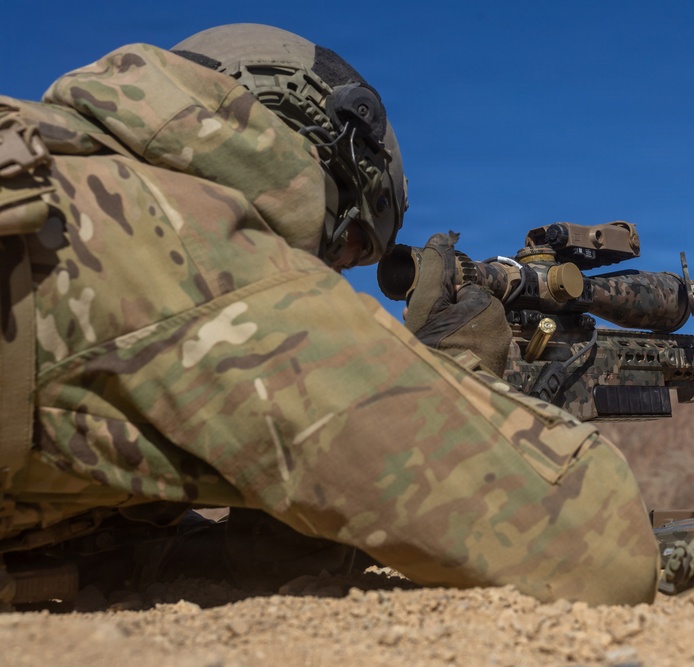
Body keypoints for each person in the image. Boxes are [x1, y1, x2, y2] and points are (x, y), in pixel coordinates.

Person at [0, 23, 657, 606]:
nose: (332, 272)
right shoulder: (197, 249)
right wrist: (452, 370)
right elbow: (593, 539)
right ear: (316, 146)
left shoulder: (56, 174)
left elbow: (110, 546)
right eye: (347, 242)